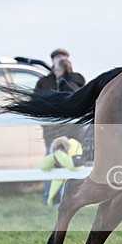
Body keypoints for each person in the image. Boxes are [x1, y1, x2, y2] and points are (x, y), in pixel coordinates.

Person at [33, 49, 86, 204]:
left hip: (74, 134)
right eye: (57, 60)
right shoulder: (44, 83)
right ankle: (49, 199)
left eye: (63, 60)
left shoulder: (75, 80)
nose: (59, 63)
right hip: (53, 134)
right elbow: (37, 103)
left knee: (72, 166)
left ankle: (70, 199)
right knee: (51, 164)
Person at [38, 136, 84, 206]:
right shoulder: (57, 156)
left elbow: (74, 166)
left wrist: (60, 155)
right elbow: (42, 166)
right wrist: (54, 156)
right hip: (58, 201)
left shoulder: (76, 156)